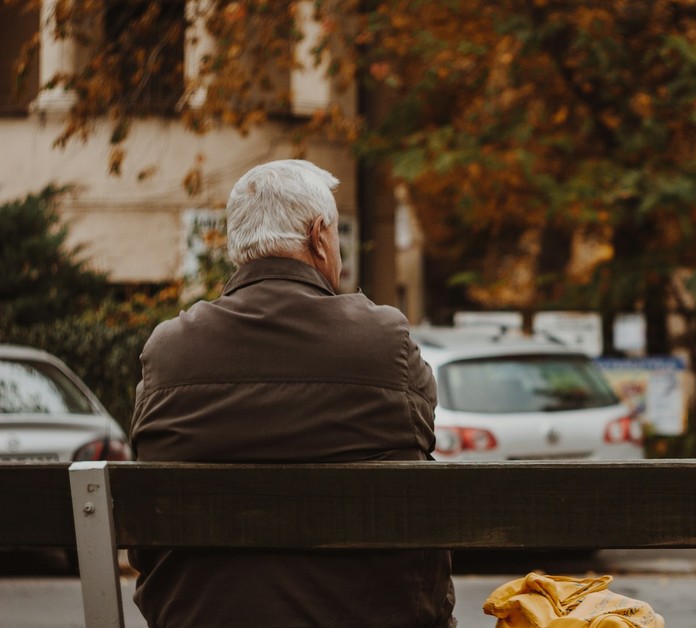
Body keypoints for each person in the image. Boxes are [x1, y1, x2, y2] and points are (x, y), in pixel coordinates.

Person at [129, 159, 456, 627]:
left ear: (238, 246)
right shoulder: (384, 343)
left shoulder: (168, 351)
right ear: (319, 236)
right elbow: (422, 438)